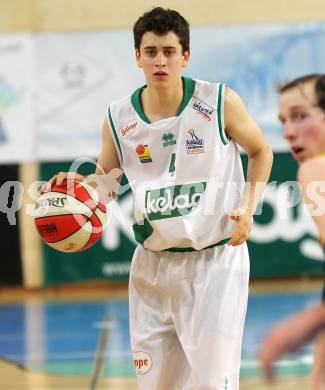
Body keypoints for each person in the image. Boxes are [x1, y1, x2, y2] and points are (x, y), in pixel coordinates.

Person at [45, 7, 272, 389]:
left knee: (213, 383)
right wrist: (77, 189)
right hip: (152, 266)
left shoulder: (218, 102)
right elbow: (106, 185)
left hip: (214, 263)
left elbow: (261, 150)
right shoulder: (118, 118)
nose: (160, 60)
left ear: (185, 56)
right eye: (150, 52)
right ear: (137, 57)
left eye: (169, 51)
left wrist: (249, 207)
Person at [260, 74, 325, 388]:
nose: (287, 132)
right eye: (283, 121)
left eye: (300, 117)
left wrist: (310, 320)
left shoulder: (316, 169)